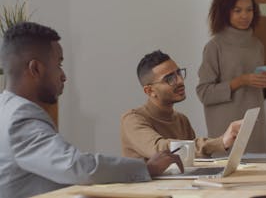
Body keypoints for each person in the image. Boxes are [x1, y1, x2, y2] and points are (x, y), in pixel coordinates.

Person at [0, 22, 182, 198]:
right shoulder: (20, 118)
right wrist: (147, 168)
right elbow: (76, 166)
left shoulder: (7, 108)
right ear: (36, 69)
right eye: (59, 65)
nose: (63, 76)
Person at [121, 50, 241, 159]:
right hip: (150, 184)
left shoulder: (181, 120)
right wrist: (220, 142)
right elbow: (160, 150)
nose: (180, 80)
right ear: (150, 91)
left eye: (179, 73)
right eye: (169, 79)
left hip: (182, 183)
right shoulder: (133, 119)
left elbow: (194, 159)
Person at [196, 0, 266, 153]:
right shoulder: (214, 46)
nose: (245, 15)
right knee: (230, 175)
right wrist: (241, 81)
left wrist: (264, 81)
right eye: (237, 11)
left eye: (249, 10)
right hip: (225, 130)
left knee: (262, 174)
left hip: (255, 125)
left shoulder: (257, 45)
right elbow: (204, 93)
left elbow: (257, 89)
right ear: (225, 12)